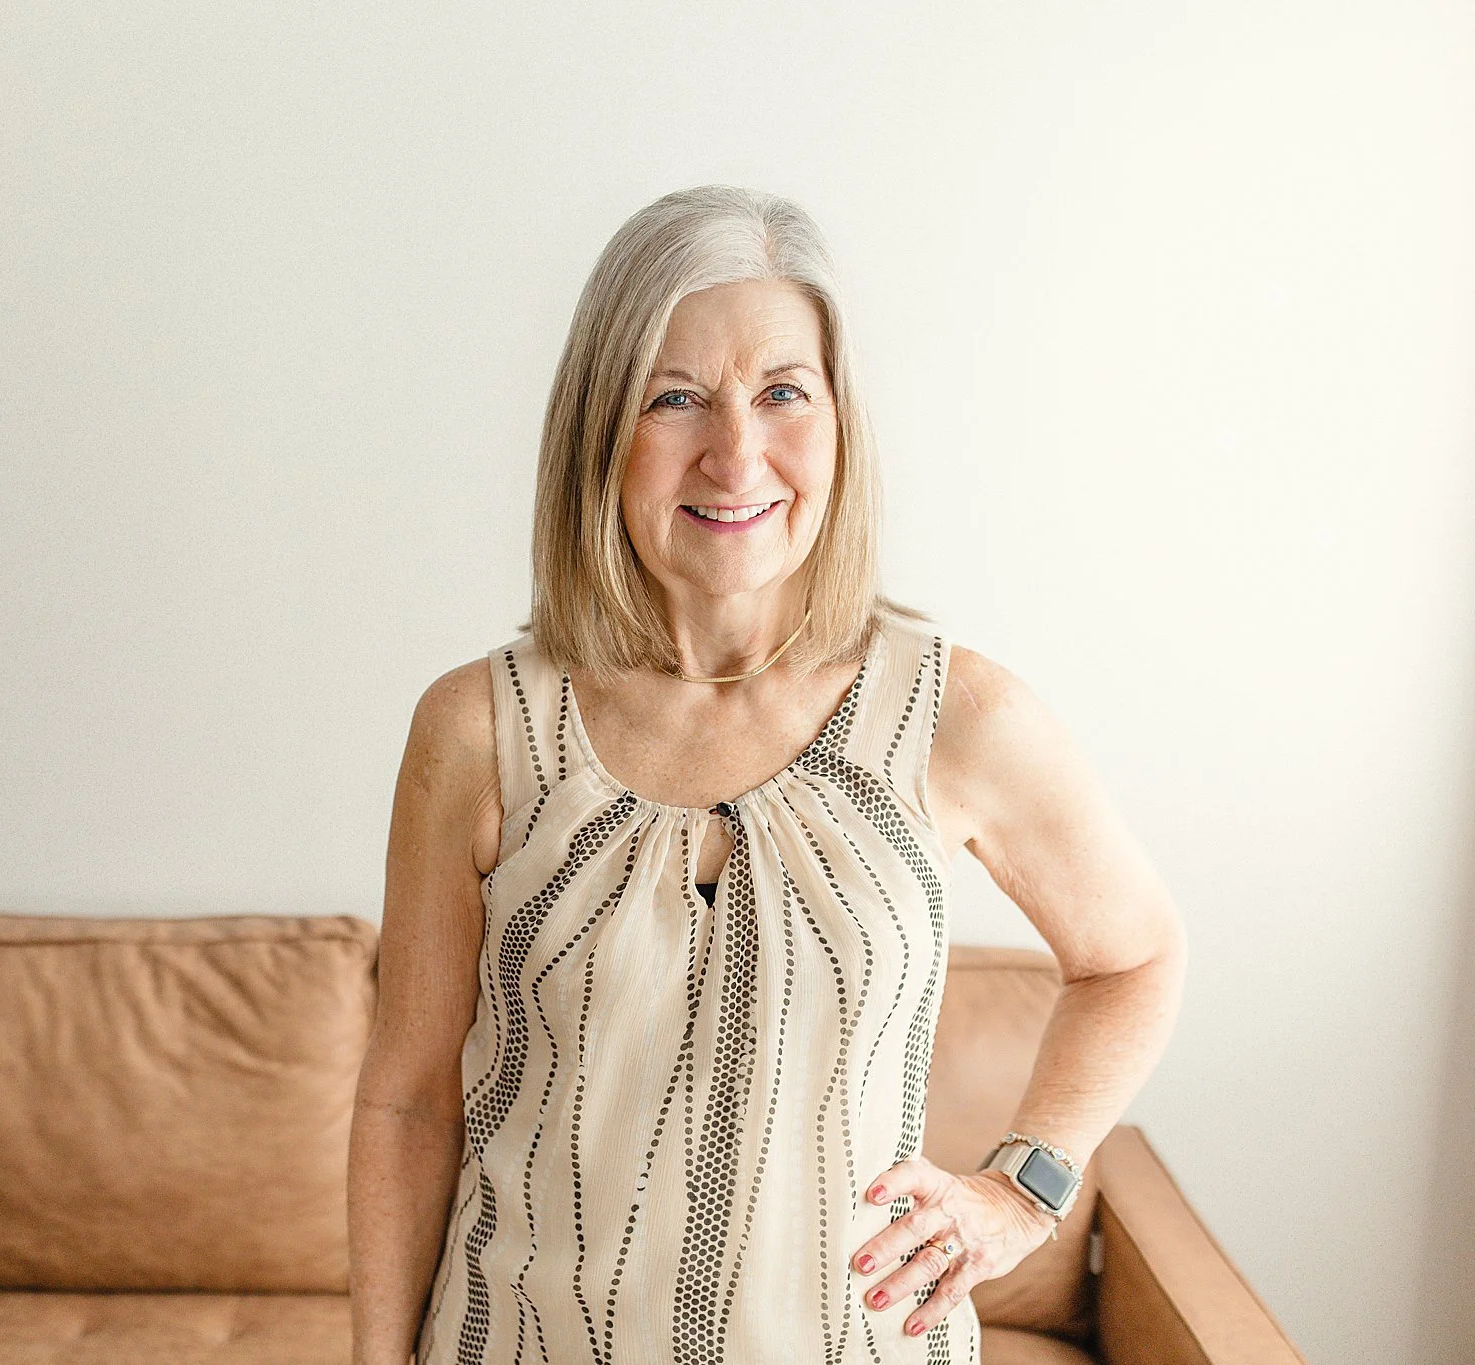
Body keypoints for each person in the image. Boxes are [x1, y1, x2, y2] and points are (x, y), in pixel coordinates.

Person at [347, 184, 1188, 1364]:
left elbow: (1135, 956)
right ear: (600, 432)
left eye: (782, 392)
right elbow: (408, 1098)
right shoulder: (478, 729)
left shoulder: (957, 716)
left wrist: (1020, 1189)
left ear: (838, 421)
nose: (734, 453)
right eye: (673, 397)